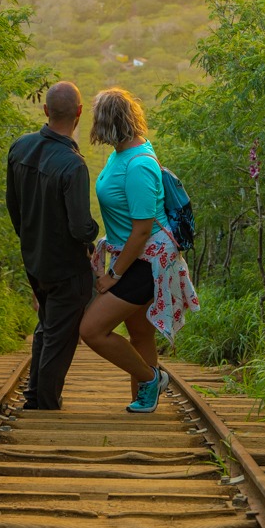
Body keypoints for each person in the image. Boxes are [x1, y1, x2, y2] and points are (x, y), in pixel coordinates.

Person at [80, 86, 199, 413]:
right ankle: (144, 399)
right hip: (131, 254)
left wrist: (113, 276)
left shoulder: (139, 165)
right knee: (140, 333)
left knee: (91, 330)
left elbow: (143, 228)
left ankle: (151, 379)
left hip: (147, 261)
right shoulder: (122, 153)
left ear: (108, 122)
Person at [6, 81, 99, 410]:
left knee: (47, 326)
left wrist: (31, 241)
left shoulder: (19, 148)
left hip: (34, 259)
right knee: (59, 334)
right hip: (66, 266)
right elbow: (79, 227)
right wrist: (95, 232)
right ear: (79, 112)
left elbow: (14, 208)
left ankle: (35, 394)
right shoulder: (73, 165)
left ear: (46, 110)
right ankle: (43, 403)